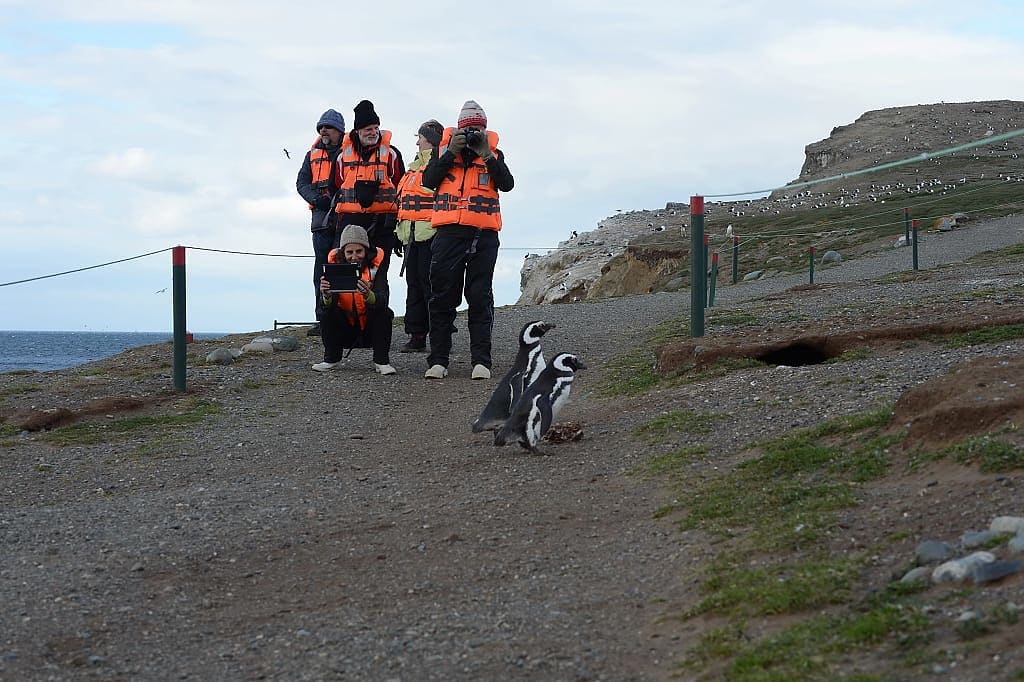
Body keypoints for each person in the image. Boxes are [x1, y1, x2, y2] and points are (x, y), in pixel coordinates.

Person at [420, 100, 514, 380]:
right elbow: (429, 180)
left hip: (483, 236)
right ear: (458, 130)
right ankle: (438, 360)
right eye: (468, 129)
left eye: (478, 129)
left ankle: (481, 361)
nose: (473, 133)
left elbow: (507, 184)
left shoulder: (494, 153)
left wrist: (487, 155)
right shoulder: (444, 152)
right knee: (442, 298)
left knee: (480, 298)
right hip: (448, 235)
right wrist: (451, 152)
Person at [332, 99, 404, 285]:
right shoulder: (341, 156)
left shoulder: (392, 154)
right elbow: (336, 185)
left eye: (375, 128)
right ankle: (347, 312)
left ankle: (377, 311)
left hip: (382, 223)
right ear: (357, 131)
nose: (373, 132)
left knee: (379, 274)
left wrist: (397, 227)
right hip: (350, 222)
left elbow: (401, 187)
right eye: (368, 129)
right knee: (344, 274)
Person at [312, 225, 396, 375]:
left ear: (366, 250)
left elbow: (383, 300)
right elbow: (326, 307)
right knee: (326, 313)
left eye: (359, 251)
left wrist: (368, 294)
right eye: (349, 252)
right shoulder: (333, 268)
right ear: (343, 253)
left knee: (385, 313)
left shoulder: (377, 267)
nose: (354, 256)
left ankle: (381, 361)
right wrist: (326, 295)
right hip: (345, 329)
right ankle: (331, 358)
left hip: (369, 328)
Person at [394, 119, 444, 353]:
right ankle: (416, 335)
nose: (416, 142)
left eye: (420, 138)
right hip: (409, 236)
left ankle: (439, 335)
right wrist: (397, 232)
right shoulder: (413, 169)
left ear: (431, 141)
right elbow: (402, 202)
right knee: (413, 286)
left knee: (432, 288)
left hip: (431, 235)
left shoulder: (440, 167)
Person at [296, 109, 346, 336]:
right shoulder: (311, 156)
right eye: (321, 127)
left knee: (346, 269)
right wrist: (317, 199)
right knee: (322, 272)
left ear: (340, 131)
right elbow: (301, 183)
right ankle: (323, 318)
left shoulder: (352, 153)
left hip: (346, 218)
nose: (323, 130)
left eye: (329, 127)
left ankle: (347, 317)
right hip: (321, 222)